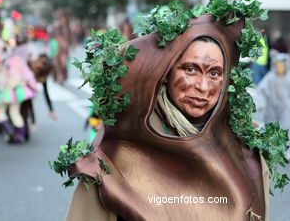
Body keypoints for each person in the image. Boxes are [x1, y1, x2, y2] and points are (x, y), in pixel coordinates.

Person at [65, 15, 270, 220]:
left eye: (215, 73)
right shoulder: (114, 157)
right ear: (165, 73)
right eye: (191, 70)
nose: (203, 87)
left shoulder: (245, 151)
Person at [258, 51, 290, 160]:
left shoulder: (289, 78)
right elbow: (261, 91)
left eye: (282, 65)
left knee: (285, 130)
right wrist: (260, 104)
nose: (280, 68)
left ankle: (286, 151)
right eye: (278, 65)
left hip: (284, 109)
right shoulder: (270, 77)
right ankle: (270, 149)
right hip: (271, 108)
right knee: (270, 129)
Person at [0, 37, 38, 143]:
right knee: (15, 113)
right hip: (17, 91)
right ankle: (20, 136)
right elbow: (28, 74)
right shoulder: (17, 59)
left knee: (0, 113)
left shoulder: (0, 61)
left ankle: (11, 132)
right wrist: (34, 87)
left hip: (5, 91)